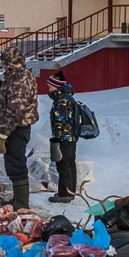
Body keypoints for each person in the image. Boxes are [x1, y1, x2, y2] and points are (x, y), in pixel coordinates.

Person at [0, 46, 39, 210]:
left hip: (16, 128)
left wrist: (3, 135)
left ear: (12, 63)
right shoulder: (15, 76)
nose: (3, 66)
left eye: (5, 63)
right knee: (12, 163)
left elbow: (15, 112)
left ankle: (21, 202)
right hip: (14, 127)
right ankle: (16, 198)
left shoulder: (19, 80)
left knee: (17, 163)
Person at [46, 71, 78, 203]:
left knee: (63, 164)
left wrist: (55, 140)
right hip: (71, 137)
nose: (48, 89)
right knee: (70, 164)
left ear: (57, 86)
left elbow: (60, 121)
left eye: (50, 87)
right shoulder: (67, 97)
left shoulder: (62, 99)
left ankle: (64, 194)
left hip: (64, 138)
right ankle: (70, 192)